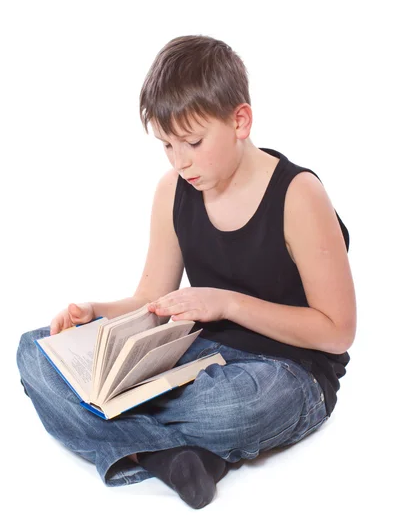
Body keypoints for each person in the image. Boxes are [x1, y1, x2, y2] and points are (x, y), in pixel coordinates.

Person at [17, 35, 357, 510]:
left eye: (193, 143)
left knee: (229, 409)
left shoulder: (298, 196)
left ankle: (140, 443)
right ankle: (174, 456)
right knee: (36, 354)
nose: (181, 161)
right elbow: (151, 298)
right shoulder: (172, 190)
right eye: (168, 146)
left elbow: (337, 332)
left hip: (287, 371)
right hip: (195, 353)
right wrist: (97, 313)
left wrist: (227, 303)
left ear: (240, 120)